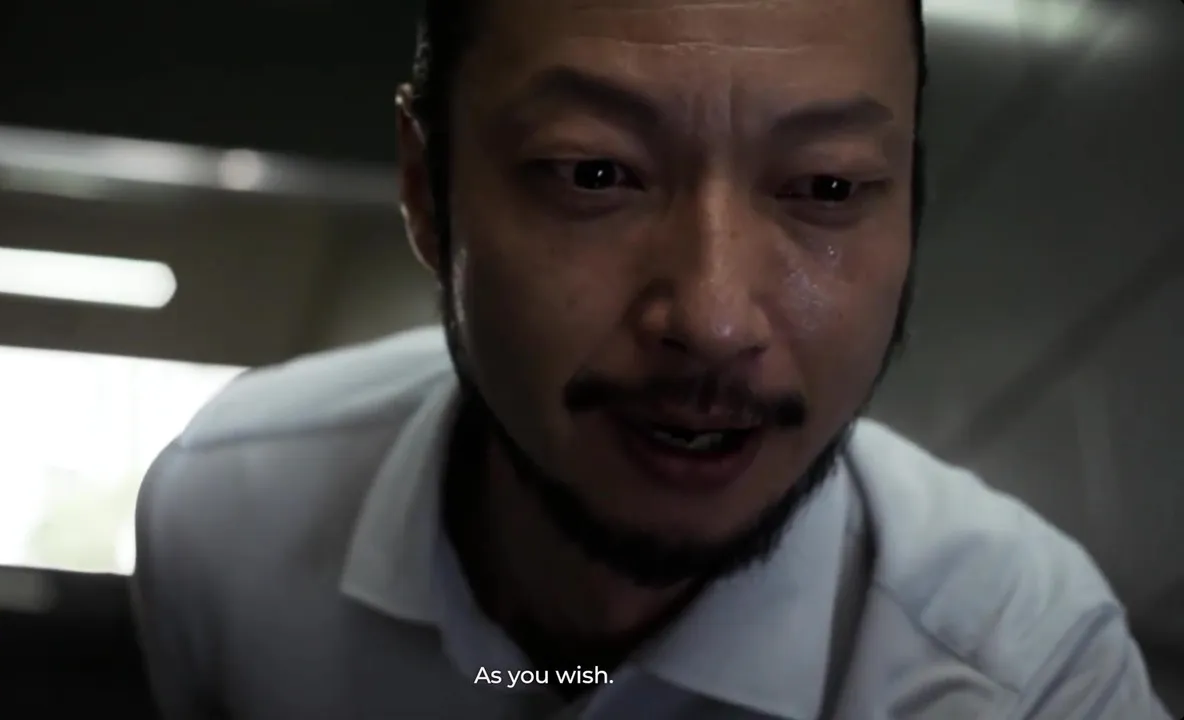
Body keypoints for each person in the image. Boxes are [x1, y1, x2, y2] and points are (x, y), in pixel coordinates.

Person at [130, 0, 1173, 717]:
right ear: (424, 191)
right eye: (593, 172)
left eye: (825, 187)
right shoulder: (229, 516)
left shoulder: (1028, 678)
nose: (714, 320)